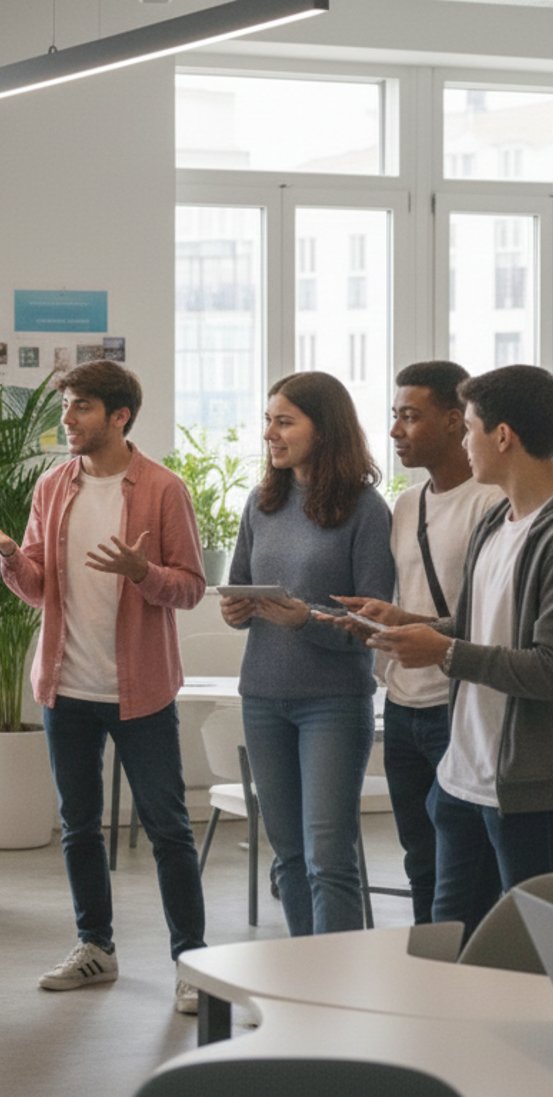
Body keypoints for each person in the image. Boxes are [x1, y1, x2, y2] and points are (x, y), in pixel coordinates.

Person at [0, 358, 208, 1013]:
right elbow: (40, 588)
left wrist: (143, 572)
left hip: (141, 692)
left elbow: (190, 586)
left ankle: (192, 963)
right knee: (77, 826)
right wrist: (13, 555)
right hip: (65, 688)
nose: (65, 419)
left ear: (119, 415)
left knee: (169, 828)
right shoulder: (53, 487)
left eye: (80, 407)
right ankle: (94, 946)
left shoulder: (163, 489)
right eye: (65, 407)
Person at [354, 365, 553, 937]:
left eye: (471, 428)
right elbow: (485, 626)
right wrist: (413, 626)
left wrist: (445, 653)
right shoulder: (499, 522)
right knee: (451, 942)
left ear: (503, 436)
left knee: (541, 952)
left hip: (529, 786)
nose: (463, 442)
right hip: (463, 777)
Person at [219, 371, 394, 937]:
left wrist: (309, 620)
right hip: (263, 697)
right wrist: (236, 609)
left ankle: (336, 994)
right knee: (287, 856)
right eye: (268, 420)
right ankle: (301, 979)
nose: (270, 432)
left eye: (285, 421)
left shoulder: (366, 510)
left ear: (326, 429)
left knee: (328, 858)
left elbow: (374, 623)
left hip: (332, 704)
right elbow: (240, 583)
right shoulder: (261, 501)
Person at [370, 362, 503, 925]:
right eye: (394, 416)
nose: (397, 430)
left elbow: (491, 616)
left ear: (455, 422)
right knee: (420, 860)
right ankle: (428, 977)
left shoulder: (491, 501)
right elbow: (412, 593)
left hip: (460, 704)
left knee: (468, 867)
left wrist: (415, 624)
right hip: (403, 706)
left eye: (410, 416)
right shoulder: (406, 504)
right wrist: (382, 622)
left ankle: (471, 980)